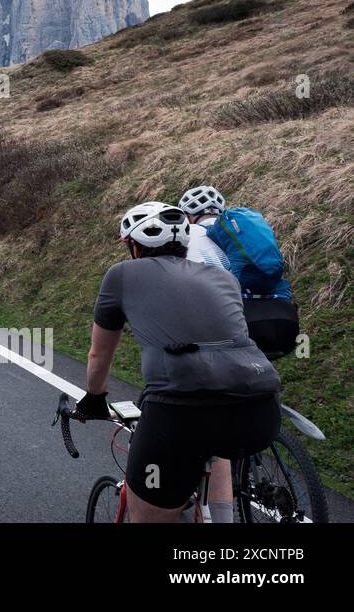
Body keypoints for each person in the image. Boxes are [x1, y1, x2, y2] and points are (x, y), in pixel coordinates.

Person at [73, 202, 281, 523]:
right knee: (218, 447)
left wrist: (94, 398)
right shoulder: (221, 277)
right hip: (260, 408)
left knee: (152, 511)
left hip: (181, 410)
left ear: (134, 246)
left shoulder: (122, 274)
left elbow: (99, 354)